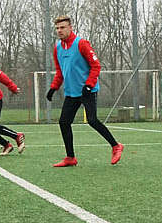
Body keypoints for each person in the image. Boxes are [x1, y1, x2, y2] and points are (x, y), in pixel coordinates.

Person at [45, 15, 123, 167]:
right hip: (71, 92)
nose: (59, 31)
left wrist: (88, 85)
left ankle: (116, 146)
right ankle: (70, 157)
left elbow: (96, 66)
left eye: (62, 27)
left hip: (87, 90)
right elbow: (60, 71)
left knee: (92, 120)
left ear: (70, 27)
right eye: (57, 28)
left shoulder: (81, 44)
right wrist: (53, 88)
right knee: (64, 122)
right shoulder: (58, 48)